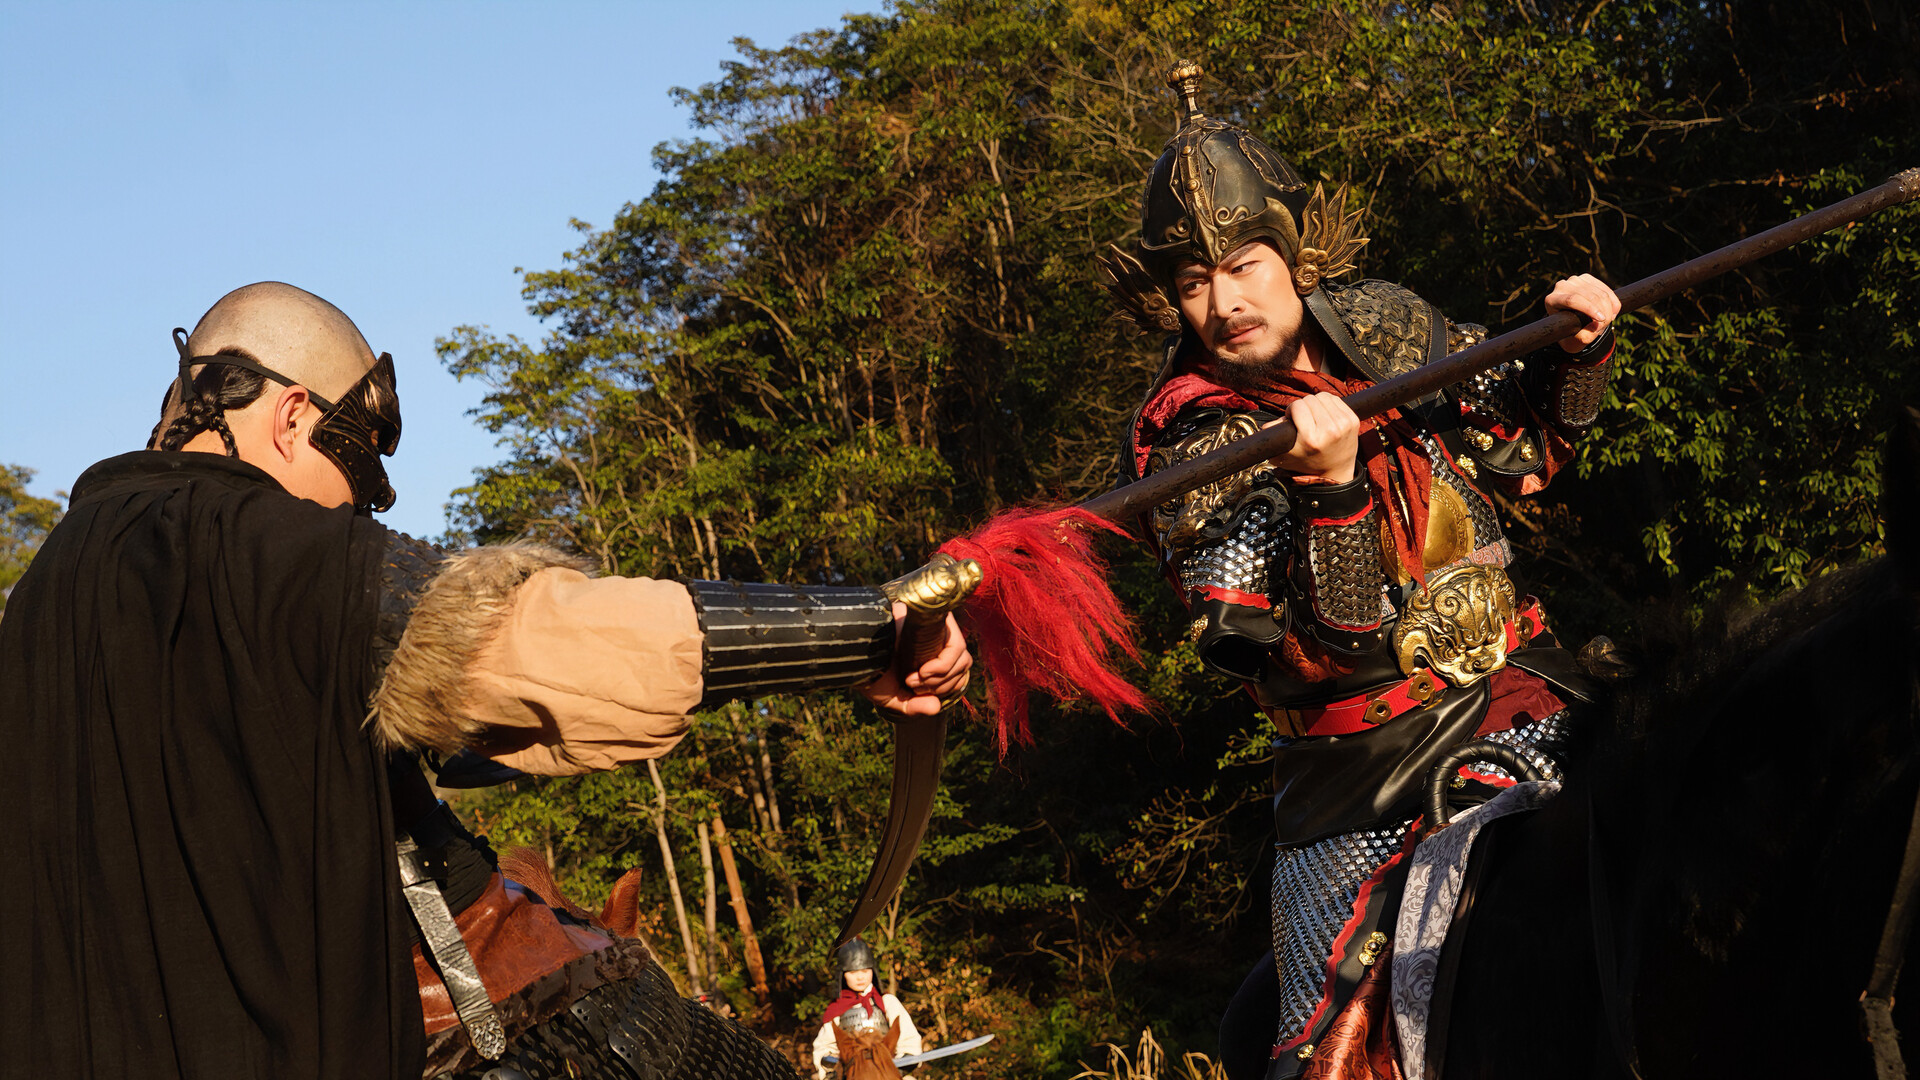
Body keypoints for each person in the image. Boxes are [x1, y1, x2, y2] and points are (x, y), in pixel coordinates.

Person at [0, 281, 971, 1080]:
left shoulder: (37, 610)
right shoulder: (276, 557)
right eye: (359, 467)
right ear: (292, 418)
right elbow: (550, 645)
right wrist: (873, 632)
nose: (362, 507)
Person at [1101, 64, 1619, 1079]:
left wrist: (1578, 346)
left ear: (1291, 254)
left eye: (1244, 265)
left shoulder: (1382, 323)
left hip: (1526, 692)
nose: (1225, 302)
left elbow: (1522, 448)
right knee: (1332, 1063)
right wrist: (1330, 489)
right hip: (1364, 782)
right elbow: (1312, 647)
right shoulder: (1188, 443)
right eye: (1195, 282)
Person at [810, 938, 921, 1079]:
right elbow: (823, 1047)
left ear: (872, 971)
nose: (860, 977)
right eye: (853, 972)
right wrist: (830, 1066)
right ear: (843, 975)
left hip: (888, 1068)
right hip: (851, 1072)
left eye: (864, 971)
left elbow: (909, 1039)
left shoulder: (887, 1002)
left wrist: (905, 1060)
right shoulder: (836, 1009)